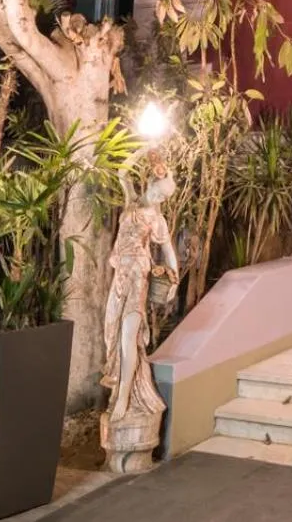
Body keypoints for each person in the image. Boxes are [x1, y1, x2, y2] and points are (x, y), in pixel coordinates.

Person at [100, 151, 179, 472]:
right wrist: (145, 148)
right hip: (119, 276)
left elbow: (169, 253)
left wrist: (173, 280)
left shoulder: (157, 220)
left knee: (128, 337)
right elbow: (122, 172)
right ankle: (119, 387)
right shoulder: (132, 203)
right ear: (150, 184)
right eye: (159, 193)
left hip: (137, 277)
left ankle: (123, 397)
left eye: (164, 197)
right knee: (111, 330)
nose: (160, 199)